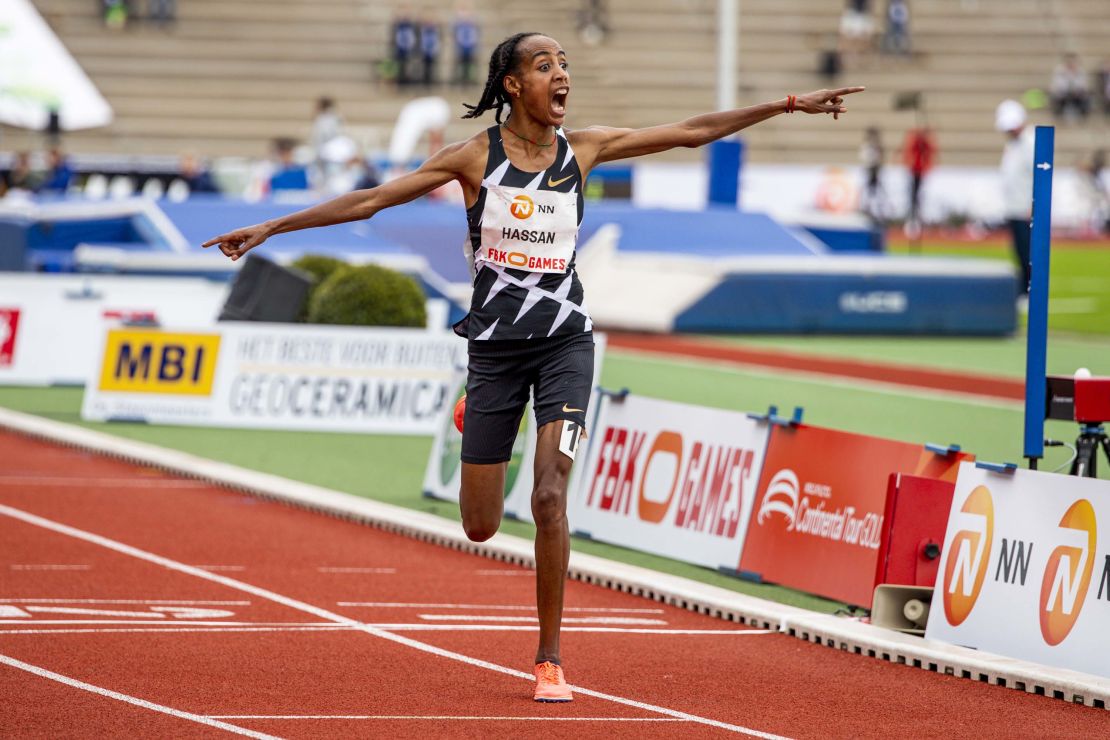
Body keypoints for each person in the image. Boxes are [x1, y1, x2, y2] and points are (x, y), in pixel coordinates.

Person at [202, 32, 862, 703]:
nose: (562, 76)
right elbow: (372, 200)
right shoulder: (472, 158)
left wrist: (785, 104)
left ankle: (550, 659)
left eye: (566, 65)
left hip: (565, 345)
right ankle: (474, 417)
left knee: (549, 494)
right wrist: (270, 228)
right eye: (545, 66)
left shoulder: (586, 150)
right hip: (493, 352)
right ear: (513, 85)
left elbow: (692, 131)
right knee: (480, 525)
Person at [995, 99, 1035, 297]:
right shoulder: (1012, 145)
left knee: (1028, 253)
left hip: (1025, 209)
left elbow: (1039, 177)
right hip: (1014, 207)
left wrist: (1033, 206)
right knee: (1019, 251)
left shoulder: (1030, 143)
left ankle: (1029, 290)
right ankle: (1023, 288)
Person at [901, 125, 935, 236]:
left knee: (917, 197)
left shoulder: (923, 143)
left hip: (919, 171)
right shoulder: (916, 141)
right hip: (914, 171)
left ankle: (917, 220)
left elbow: (930, 152)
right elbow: (909, 153)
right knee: (913, 197)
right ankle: (913, 220)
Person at [1050, 53, 1091, 122]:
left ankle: (1083, 116)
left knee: (1085, 98)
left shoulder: (1080, 71)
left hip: (1077, 94)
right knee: (1057, 97)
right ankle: (1059, 116)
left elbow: (1083, 85)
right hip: (1063, 94)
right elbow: (1056, 85)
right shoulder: (1060, 71)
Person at [859, 127, 886, 222]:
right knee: (869, 191)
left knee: (875, 191)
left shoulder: (875, 145)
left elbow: (879, 157)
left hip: (874, 169)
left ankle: (875, 210)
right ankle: (868, 208)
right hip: (870, 168)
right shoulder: (868, 145)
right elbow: (866, 157)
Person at [452, 3, 480, 85]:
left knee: (470, 65)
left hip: (471, 48)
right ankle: (459, 79)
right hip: (460, 48)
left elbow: (476, 35)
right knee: (460, 64)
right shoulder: (457, 23)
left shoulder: (474, 23)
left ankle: (470, 80)